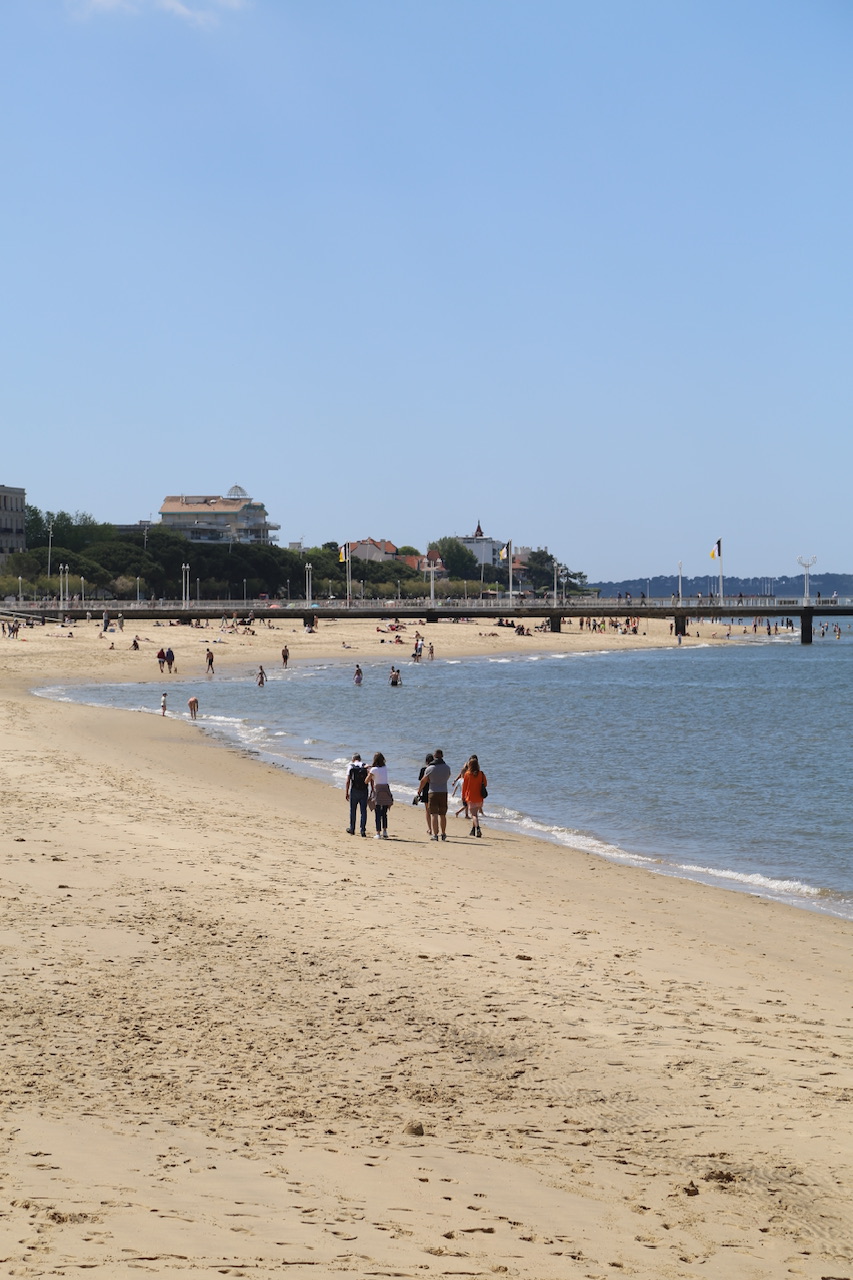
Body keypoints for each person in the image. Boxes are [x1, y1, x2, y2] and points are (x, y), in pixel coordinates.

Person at [418, 747, 451, 841]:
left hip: (433, 792)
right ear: (442, 756)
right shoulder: (447, 767)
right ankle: (443, 833)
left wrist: (419, 791)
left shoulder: (430, 768)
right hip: (444, 791)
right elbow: (447, 777)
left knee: (434, 814)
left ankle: (435, 835)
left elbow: (423, 781)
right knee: (443, 814)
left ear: (434, 756)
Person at [367, 751, 393, 839]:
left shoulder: (373, 770)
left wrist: (368, 771)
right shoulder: (385, 767)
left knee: (377, 812)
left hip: (378, 790)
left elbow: (366, 781)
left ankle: (378, 833)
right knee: (384, 813)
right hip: (386, 790)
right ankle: (385, 831)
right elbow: (379, 770)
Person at [460, 754, 487, 837]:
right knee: (475, 814)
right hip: (479, 798)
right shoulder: (481, 774)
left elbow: (464, 787)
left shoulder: (467, 774)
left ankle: (478, 828)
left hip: (471, 797)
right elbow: (485, 784)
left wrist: (463, 797)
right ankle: (473, 830)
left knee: (474, 815)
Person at [345, 752, 370, 837]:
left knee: (353, 810)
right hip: (364, 790)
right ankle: (362, 830)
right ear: (360, 759)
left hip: (354, 790)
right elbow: (371, 777)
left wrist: (346, 792)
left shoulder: (351, 766)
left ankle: (352, 829)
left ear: (353, 759)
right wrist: (373, 789)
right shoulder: (365, 766)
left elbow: (348, 780)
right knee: (363, 811)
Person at [415, 753, 435, 834]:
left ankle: (430, 828)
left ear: (426, 761)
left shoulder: (423, 770)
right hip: (434, 790)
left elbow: (421, 781)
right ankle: (435, 828)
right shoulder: (435, 769)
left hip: (426, 791)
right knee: (434, 811)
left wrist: (419, 792)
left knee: (427, 810)